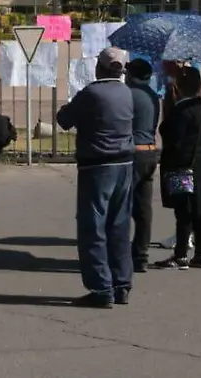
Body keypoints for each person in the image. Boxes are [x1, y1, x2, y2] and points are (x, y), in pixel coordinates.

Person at [56, 47, 136, 308]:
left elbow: (64, 120)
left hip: (97, 165)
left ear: (98, 67)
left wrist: (70, 108)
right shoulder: (126, 92)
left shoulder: (92, 92)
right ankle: (122, 283)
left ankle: (101, 288)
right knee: (119, 225)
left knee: (93, 227)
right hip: (124, 162)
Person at [153, 67, 201, 271]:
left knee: (183, 210)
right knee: (199, 210)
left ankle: (180, 256)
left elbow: (172, 136)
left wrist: (168, 110)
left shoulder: (181, 110)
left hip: (182, 165)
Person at [125, 58, 162, 272]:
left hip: (133, 154)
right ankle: (141, 255)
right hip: (150, 153)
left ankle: (119, 253)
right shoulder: (152, 95)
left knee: (121, 205)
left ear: (131, 75)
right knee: (143, 209)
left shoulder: (129, 94)